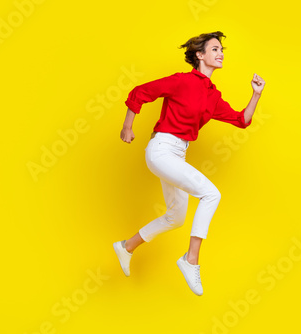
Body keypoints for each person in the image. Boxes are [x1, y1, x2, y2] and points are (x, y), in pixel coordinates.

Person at [113, 31, 265, 296]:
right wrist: (128, 127)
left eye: (222, 50)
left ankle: (126, 247)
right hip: (161, 150)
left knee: (176, 217)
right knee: (211, 194)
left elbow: (241, 120)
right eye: (215, 49)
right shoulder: (182, 81)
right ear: (200, 55)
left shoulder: (212, 96)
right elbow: (140, 92)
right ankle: (191, 259)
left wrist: (256, 95)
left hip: (178, 154)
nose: (221, 54)